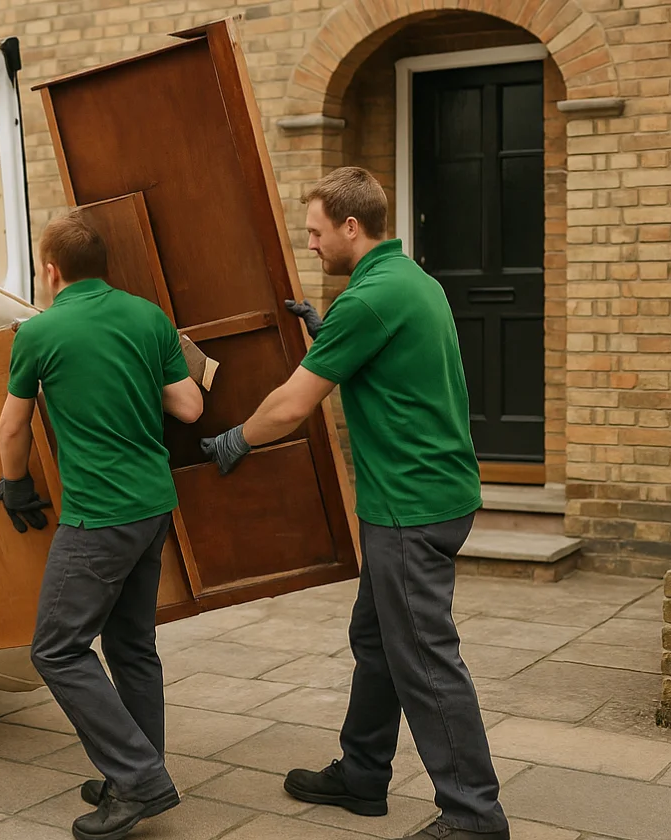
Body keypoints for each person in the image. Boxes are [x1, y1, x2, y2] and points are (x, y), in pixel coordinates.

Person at [201, 167, 508, 840]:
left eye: (316, 233)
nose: (310, 244)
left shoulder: (367, 300)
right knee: (377, 641)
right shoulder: (411, 281)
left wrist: (236, 439)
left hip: (408, 505)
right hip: (433, 493)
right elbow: (385, 365)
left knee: (425, 659)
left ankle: (473, 816)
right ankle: (364, 775)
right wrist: (328, 333)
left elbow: (292, 405)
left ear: (350, 226)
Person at [0, 212, 205, 840]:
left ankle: (137, 777)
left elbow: (12, 425)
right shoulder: (148, 318)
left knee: (56, 650)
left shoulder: (39, 332)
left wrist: (15, 485)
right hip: (152, 507)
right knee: (132, 645)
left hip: (99, 515)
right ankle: (140, 770)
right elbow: (189, 406)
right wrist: (129, 376)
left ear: (51, 270)